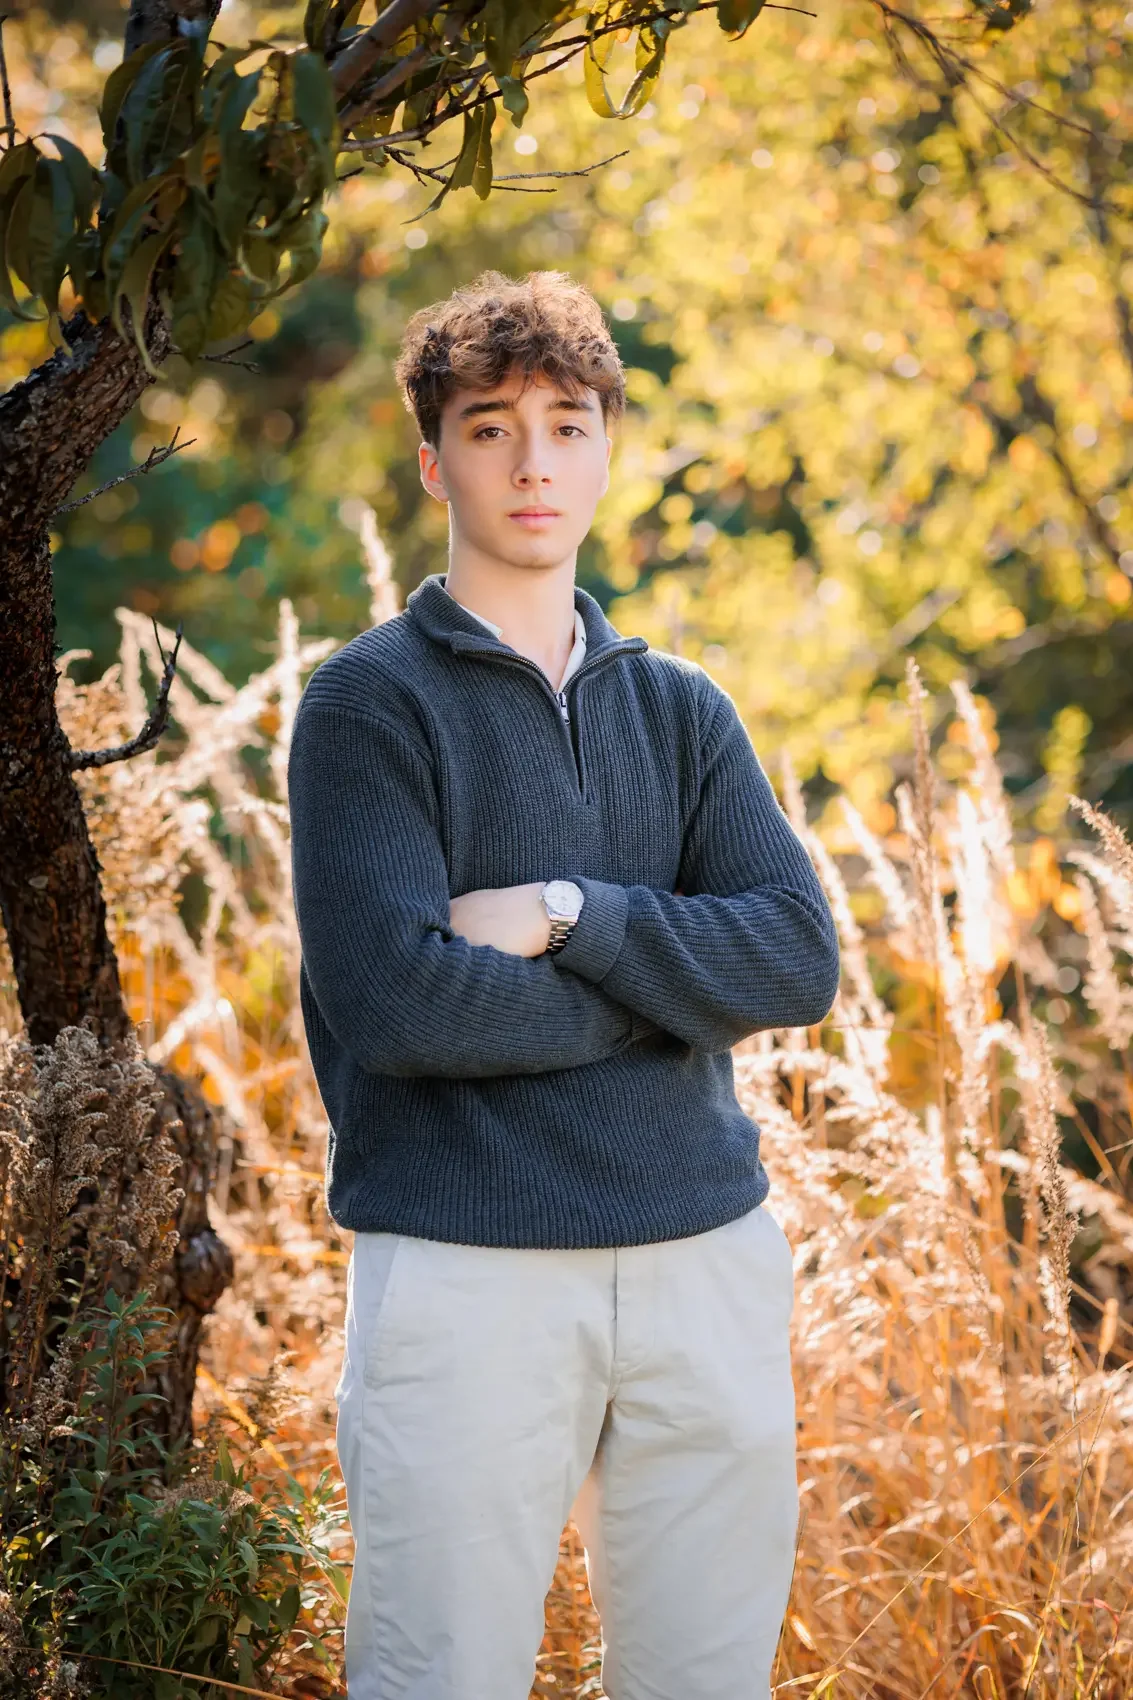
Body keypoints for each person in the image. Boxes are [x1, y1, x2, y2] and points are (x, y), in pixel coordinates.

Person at [286, 268, 840, 1700]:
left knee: (705, 1680)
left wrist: (566, 913)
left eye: (567, 423)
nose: (534, 462)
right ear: (432, 460)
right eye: (489, 428)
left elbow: (795, 954)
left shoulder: (683, 708)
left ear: (607, 446)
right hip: (469, 1278)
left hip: (701, 1261)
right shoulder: (369, 704)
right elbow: (401, 1007)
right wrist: (673, 993)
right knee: (439, 1675)